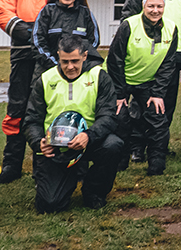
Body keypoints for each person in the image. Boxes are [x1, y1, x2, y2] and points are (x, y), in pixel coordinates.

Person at [23, 34, 126, 213]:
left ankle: (93, 191)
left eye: (75, 61)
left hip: (89, 141)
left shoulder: (99, 76)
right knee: (50, 205)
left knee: (113, 145)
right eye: (65, 61)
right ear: (58, 56)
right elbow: (31, 119)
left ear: (84, 56)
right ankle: (66, 176)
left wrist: (88, 136)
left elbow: (108, 116)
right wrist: (38, 142)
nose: (70, 67)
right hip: (56, 147)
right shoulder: (45, 79)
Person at [0, 0, 57, 182]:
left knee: (47, 106)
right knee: (17, 107)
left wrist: (46, 39)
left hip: (51, 58)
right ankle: (11, 164)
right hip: (22, 54)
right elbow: (4, 14)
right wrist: (36, 34)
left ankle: (44, 163)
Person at [120, 0, 181, 143]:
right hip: (145, 53)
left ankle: (159, 143)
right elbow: (127, 16)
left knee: (166, 102)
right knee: (141, 103)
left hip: (173, 52)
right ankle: (137, 145)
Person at [107, 0, 181, 176]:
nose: (155, 10)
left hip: (148, 82)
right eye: (151, 6)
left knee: (158, 118)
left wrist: (158, 94)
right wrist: (119, 94)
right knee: (121, 118)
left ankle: (156, 164)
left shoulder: (171, 28)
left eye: (159, 6)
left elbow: (168, 64)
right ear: (143, 6)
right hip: (123, 79)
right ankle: (120, 162)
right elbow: (115, 60)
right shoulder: (129, 25)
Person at [32, 0, 100, 83]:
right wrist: (57, 66)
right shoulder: (47, 12)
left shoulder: (86, 14)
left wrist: (75, 64)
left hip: (78, 74)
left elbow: (93, 42)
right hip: (47, 72)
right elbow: (37, 42)